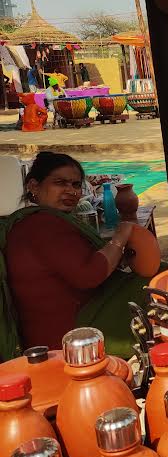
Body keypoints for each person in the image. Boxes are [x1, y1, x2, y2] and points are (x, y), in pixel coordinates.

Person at [0, 153, 151, 359]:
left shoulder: (34, 222)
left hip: (68, 319)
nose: (71, 191)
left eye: (76, 185)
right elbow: (89, 275)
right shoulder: (41, 224)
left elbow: (73, 263)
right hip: (71, 334)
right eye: (60, 183)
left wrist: (119, 255)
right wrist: (120, 236)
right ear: (34, 186)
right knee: (162, 284)